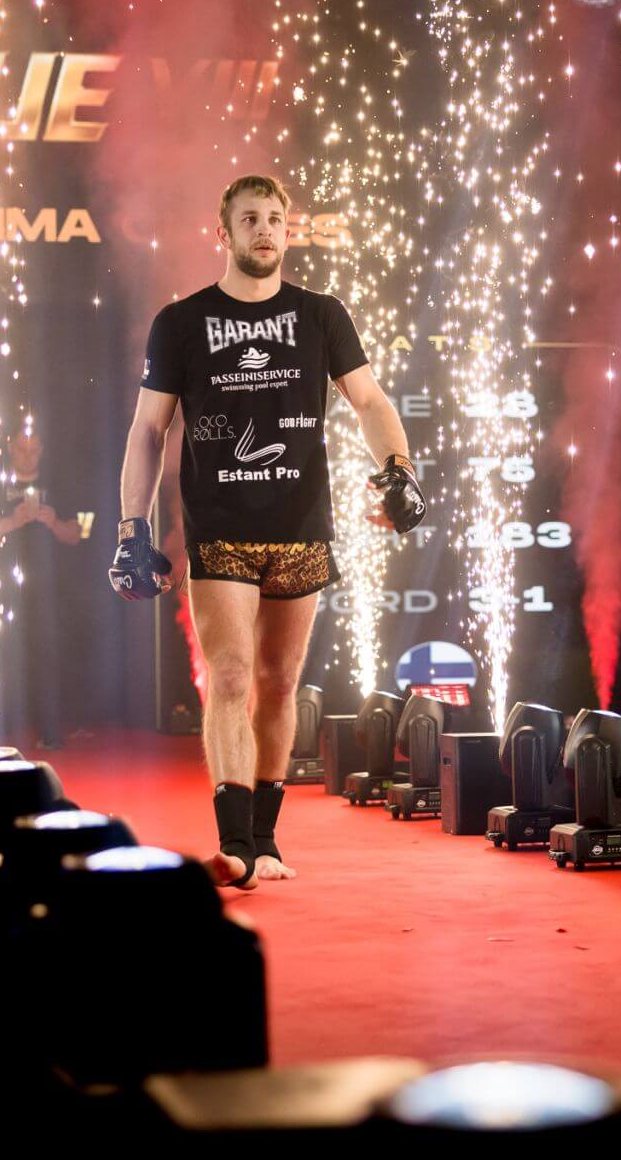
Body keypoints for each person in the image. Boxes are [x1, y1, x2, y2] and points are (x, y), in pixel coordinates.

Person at [112, 173, 426, 888]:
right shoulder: (182, 321)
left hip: (300, 526)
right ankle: (233, 846)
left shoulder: (321, 314)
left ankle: (264, 840)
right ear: (223, 232)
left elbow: (369, 401)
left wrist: (401, 470)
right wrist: (133, 528)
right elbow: (148, 430)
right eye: (249, 218)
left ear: (288, 231)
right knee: (228, 676)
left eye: (275, 219)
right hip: (220, 527)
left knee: (279, 685)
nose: (263, 230)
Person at [0, 428, 88, 747]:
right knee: (1, 655)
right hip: (2, 587)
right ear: (10, 447)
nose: (28, 456)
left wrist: (53, 522)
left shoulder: (59, 484)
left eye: (34, 450)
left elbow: (80, 533)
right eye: (22, 449)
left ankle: (50, 731)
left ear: (42, 449)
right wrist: (12, 521)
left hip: (49, 591)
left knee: (47, 656)